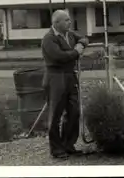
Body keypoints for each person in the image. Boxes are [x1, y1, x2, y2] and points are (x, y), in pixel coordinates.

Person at [41, 10, 89, 159]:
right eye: (66, 20)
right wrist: (76, 52)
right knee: (55, 113)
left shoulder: (70, 35)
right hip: (55, 77)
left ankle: (69, 144)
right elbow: (59, 57)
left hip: (70, 76)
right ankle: (56, 149)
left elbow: (84, 39)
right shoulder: (49, 39)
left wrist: (81, 44)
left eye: (69, 20)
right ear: (56, 23)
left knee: (74, 111)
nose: (70, 22)